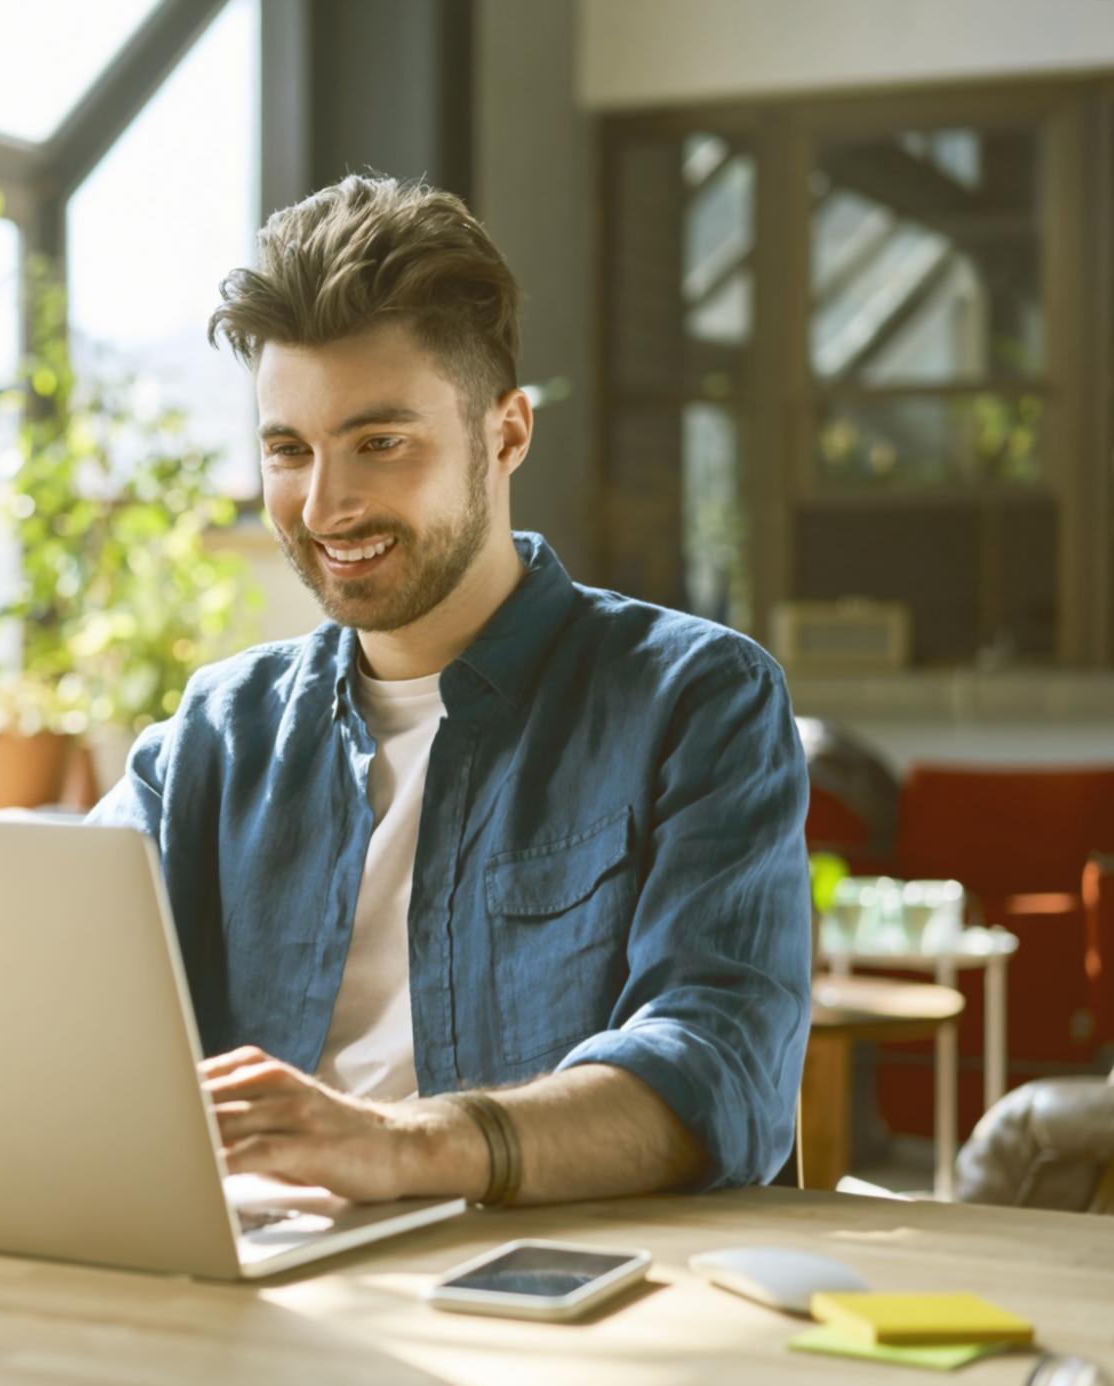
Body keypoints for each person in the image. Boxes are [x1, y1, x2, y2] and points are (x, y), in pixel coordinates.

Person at [88, 174, 810, 1207]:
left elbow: (721, 1072)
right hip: (257, 1284)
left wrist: (400, 1146)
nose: (324, 504)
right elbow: (45, 995)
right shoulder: (211, 737)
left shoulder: (694, 699)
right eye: (288, 450)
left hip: (549, 1303)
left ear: (505, 433)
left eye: (379, 443)